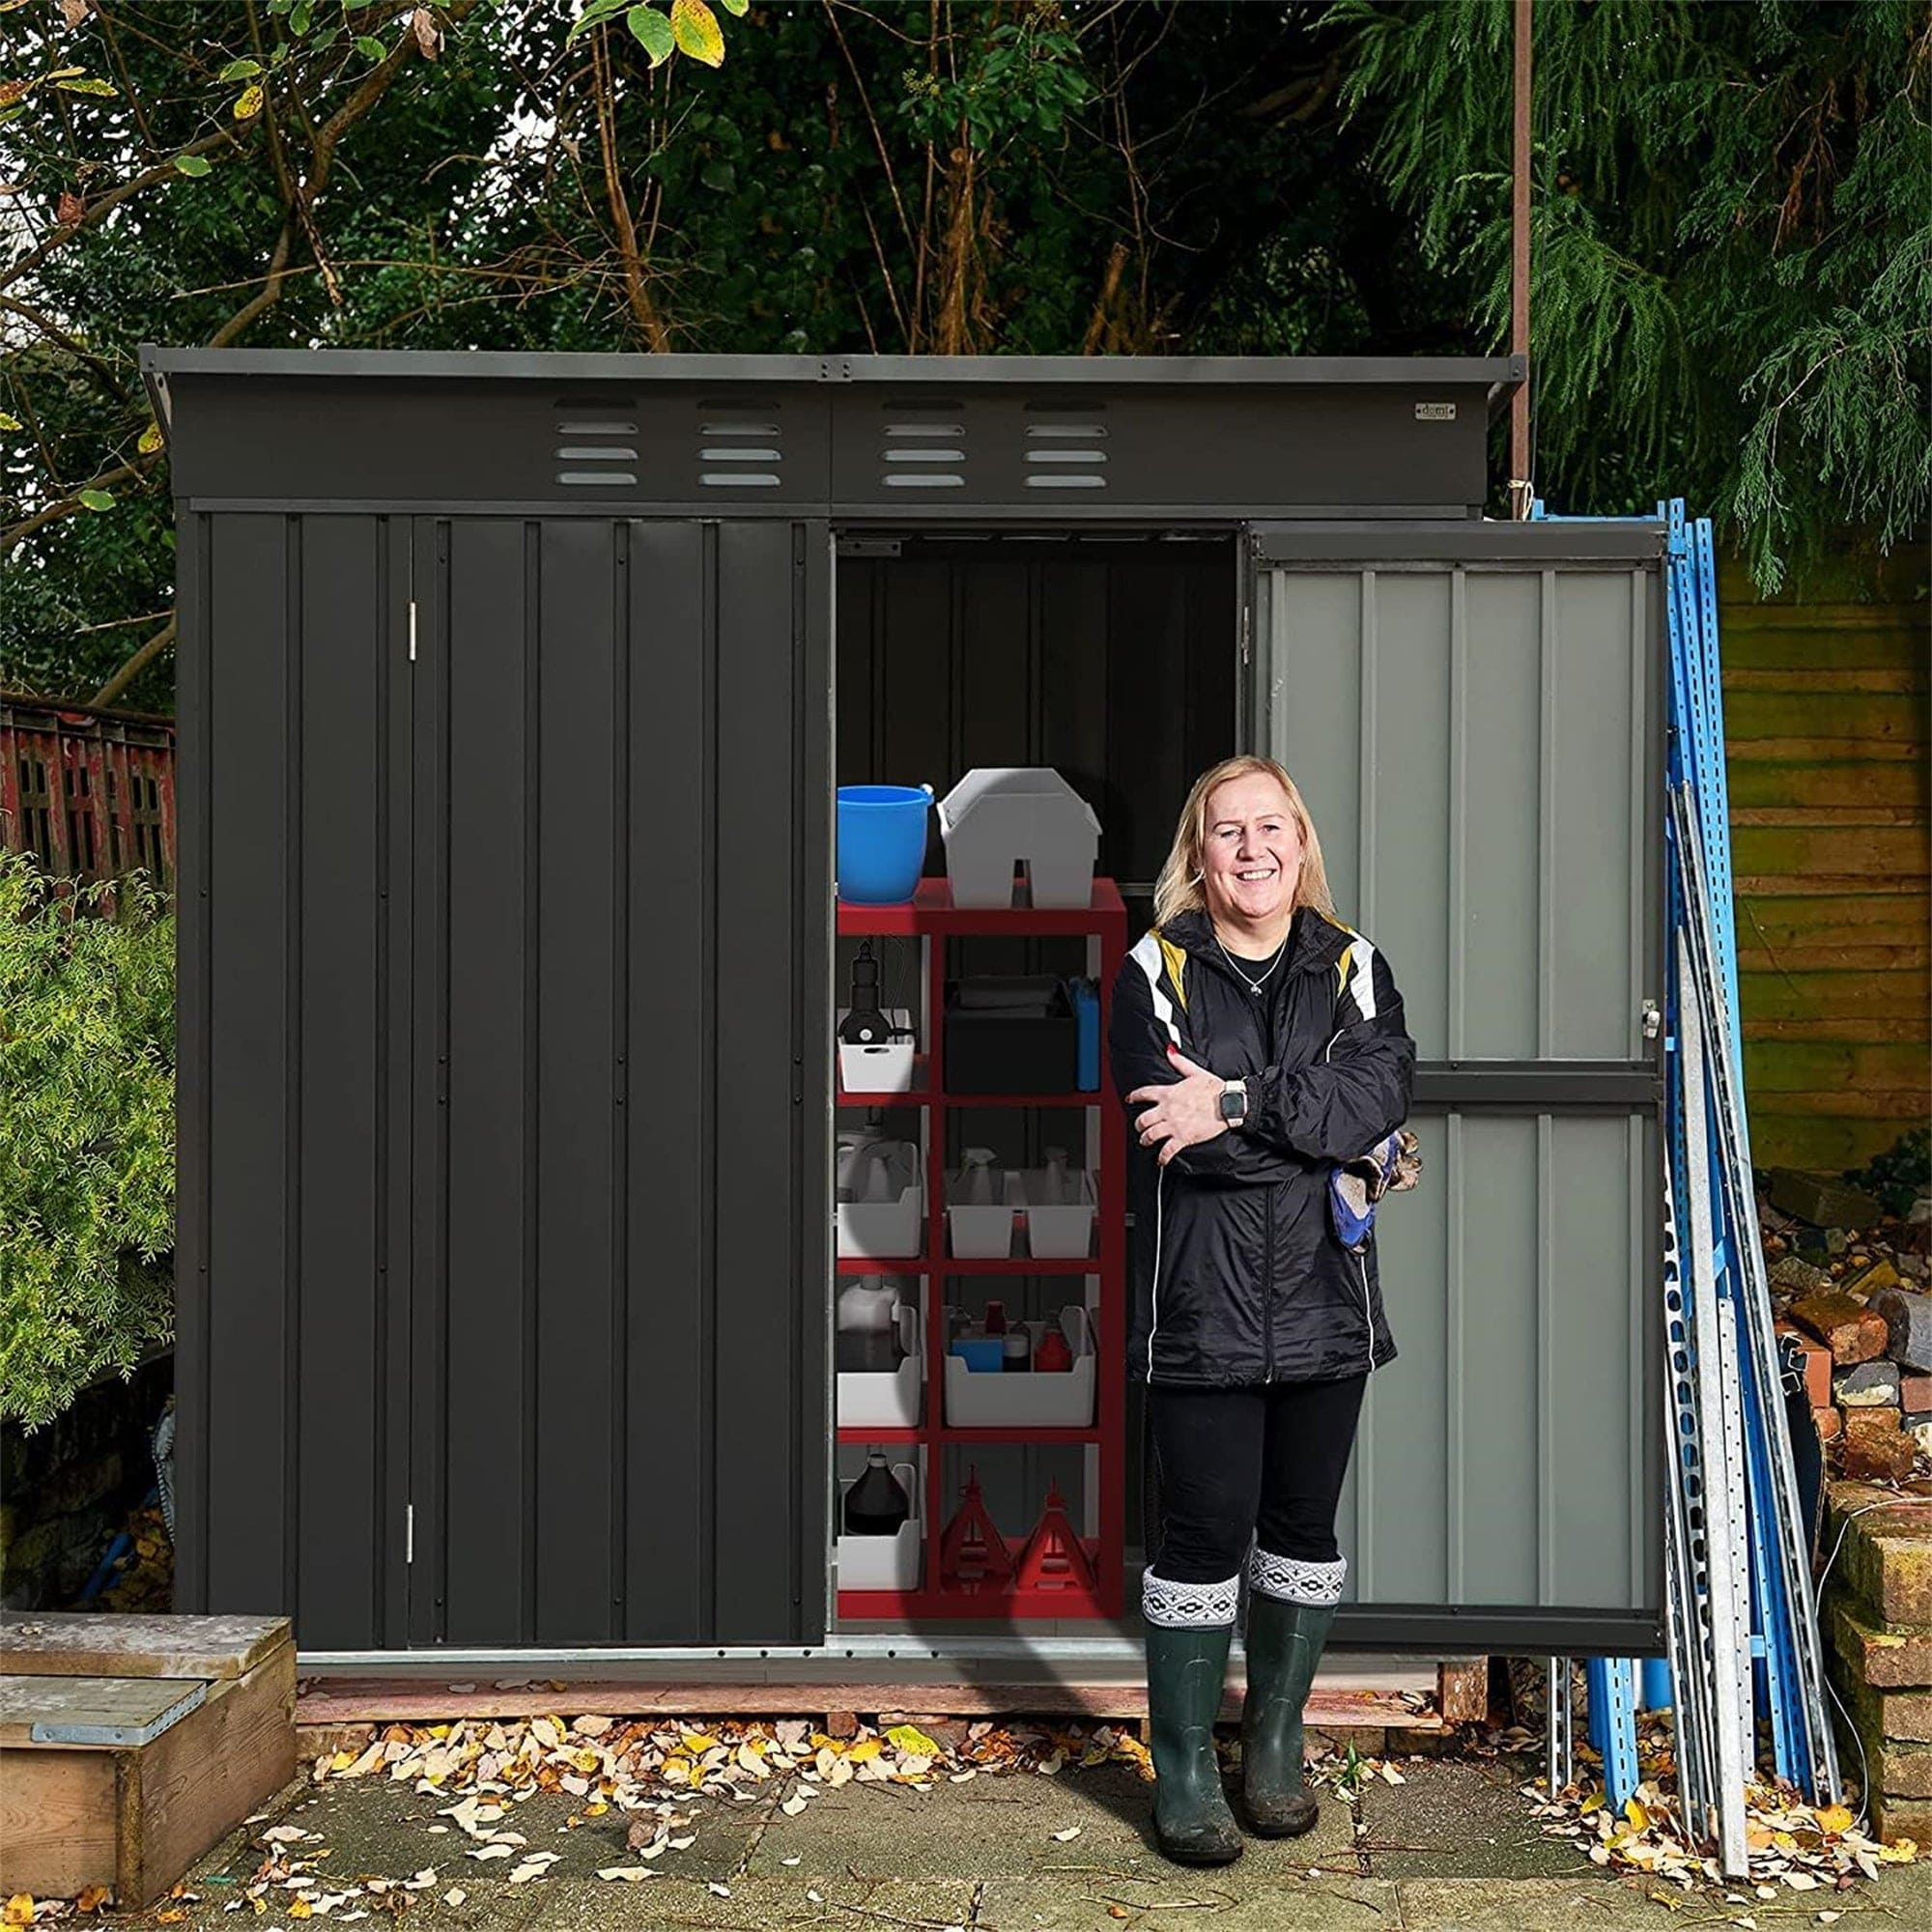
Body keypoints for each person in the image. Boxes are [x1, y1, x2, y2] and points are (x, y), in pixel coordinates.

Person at [1110, 754, 1416, 1865]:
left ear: (1300, 840)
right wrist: (1329, 1139)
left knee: (1300, 1529)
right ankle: (1185, 1765)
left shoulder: (1352, 964)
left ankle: (1271, 1744)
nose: (1251, 849)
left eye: (1270, 826)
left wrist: (1234, 1100)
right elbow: (1171, 1138)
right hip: (1202, 1313)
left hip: (1326, 1311)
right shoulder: (1153, 968)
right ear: (1198, 852)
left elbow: (1378, 1093)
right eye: (1227, 830)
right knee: (1199, 1537)